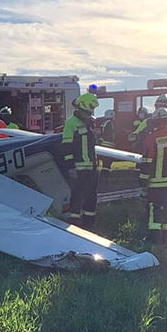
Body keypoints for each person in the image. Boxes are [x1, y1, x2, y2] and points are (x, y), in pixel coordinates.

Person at [139, 108, 167, 244]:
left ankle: (154, 238)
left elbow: (147, 162)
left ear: (154, 123)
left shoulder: (151, 138)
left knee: (154, 208)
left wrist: (142, 181)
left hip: (156, 182)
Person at [62, 92, 99, 229]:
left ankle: (89, 225)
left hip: (92, 168)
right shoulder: (71, 123)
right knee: (77, 197)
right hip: (78, 168)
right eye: (88, 112)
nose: (90, 114)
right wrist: (71, 167)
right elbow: (66, 147)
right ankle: (75, 225)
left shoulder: (90, 122)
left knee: (91, 198)